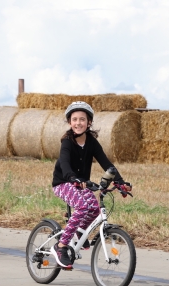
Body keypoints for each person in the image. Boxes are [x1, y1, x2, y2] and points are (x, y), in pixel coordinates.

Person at [50, 101, 132, 268]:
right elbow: (64, 162)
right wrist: (72, 177)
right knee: (82, 206)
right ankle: (61, 246)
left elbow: (107, 164)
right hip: (64, 182)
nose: (78, 123)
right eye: (74, 119)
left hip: (82, 184)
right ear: (69, 122)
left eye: (82, 119)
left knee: (94, 208)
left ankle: (79, 233)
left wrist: (120, 182)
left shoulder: (92, 142)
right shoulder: (67, 142)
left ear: (89, 122)